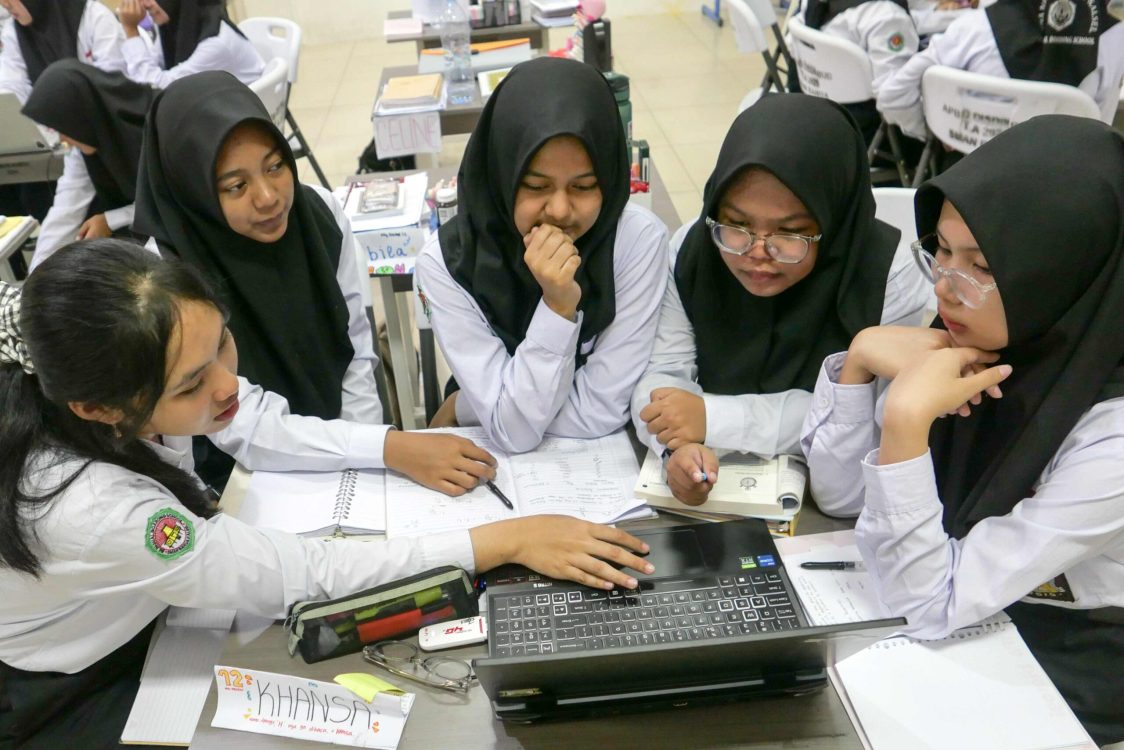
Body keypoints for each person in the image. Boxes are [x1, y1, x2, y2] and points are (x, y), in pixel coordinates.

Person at [0, 239, 655, 748]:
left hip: (147, 609)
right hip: (82, 681)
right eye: (192, 385)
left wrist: (391, 446)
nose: (226, 384)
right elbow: (295, 573)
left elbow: (252, 419)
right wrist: (504, 539)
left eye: (223, 344)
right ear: (99, 408)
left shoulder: (126, 372)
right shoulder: (91, 508)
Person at [800, 116, 1124, 745]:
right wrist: (859, 361)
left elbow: (927, 605)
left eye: (982, 265)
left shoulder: (1111, 436)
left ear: (1061, 269)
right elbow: (840, 498)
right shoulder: (988, 336)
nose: (947, 287)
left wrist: (904, 423)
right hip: (952, 611)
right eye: (941, 252)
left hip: (1063, 659)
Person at [133, 71, 492, 495]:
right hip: (234, 476)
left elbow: (355, 351)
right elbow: (237, 421)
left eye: (275, 166)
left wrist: (365, 466)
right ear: (193, 190)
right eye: (236, 186)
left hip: (342, 440)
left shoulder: (317, 215)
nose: (268, 197)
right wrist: (383, 448)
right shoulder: (166, 273)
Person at [631, 94, 928, 506]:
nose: (757, 252)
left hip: (844, 494)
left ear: (833, 222)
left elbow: (869, 418)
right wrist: (677, 448)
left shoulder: (888, 277)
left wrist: (710, 418)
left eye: (790, 233)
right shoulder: (693, 251)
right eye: (737, 224)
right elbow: (661, 373)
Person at [416, 57, 668, 454]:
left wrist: (468, 408)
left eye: (584, 187)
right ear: (501, 175)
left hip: (600, 460)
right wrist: (557, 308)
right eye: (536, 186)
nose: (560, 211)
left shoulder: (637, 241)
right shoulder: (448, 263)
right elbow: (513, 433)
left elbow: (600, 411)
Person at [877, 0, 1124, 140]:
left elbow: (893, 97)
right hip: (1068, 188)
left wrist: (942, 130)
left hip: (972, 187)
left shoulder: (969, 31)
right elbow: (1100, 132)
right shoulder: (1116, 37)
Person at [0, 0, 125, 229]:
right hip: (57, 143)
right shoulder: (14, 31)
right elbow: (13, 91)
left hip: (103, 139)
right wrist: (50, 129)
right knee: (39, 200)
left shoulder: (94, 17)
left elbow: (112, 85)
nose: (4, 4)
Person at [21, 60, 154, 271]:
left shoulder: (155, 127)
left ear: (79, 116)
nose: (62, 139)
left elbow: (169, 201)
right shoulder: (89, 139)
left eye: (63, 128)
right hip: (142, 230)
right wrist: (37, 273)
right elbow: (66, 208)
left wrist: (110, 220)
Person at [790, 0, 920, 146]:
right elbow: (895, 101)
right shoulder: (888, 16)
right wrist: (927, 132)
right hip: (865, 136)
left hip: (808, 117)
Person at [116, 0, 264, 89]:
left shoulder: (216, 43)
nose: (144, 4)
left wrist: (131, 30)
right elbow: (153, 69)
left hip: (248, 119)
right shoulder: (174, 25)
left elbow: (157, 90)